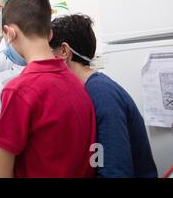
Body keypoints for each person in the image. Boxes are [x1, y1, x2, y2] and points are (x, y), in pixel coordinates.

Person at [0, 0, 97, 178]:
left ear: (9, 33)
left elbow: (1, 174)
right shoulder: (78, 82)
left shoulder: (18, 90)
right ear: (50, 34)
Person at [50, 14, 158, 178]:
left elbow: (114, 171)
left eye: (48, 52)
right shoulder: (86, 91)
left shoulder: (102, 95)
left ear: (64, 51)